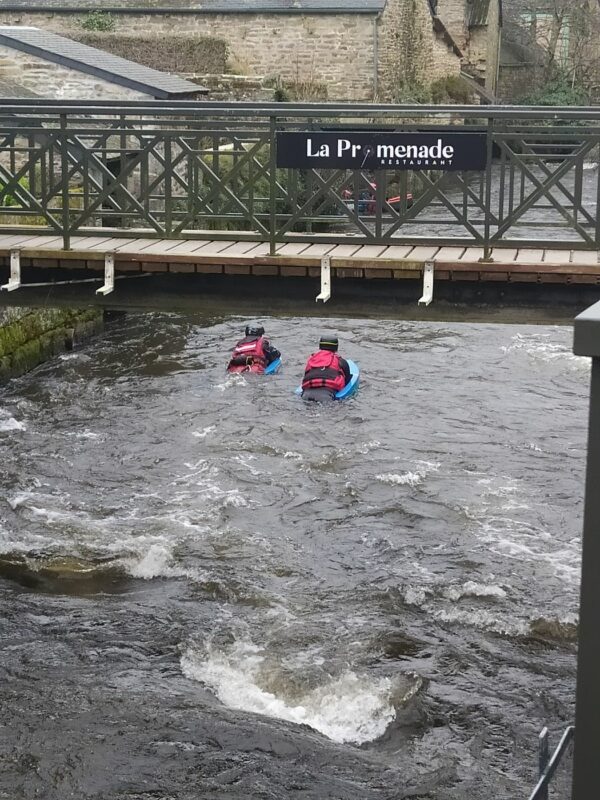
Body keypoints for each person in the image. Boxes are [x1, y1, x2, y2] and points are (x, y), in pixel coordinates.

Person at [301, 335, 351, 402]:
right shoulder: (340, 361)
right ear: (336, 348)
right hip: (327, 395)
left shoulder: (311, 359)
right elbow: (347, 381)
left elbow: (306, 374)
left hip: (306, 394)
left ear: (320, 346)